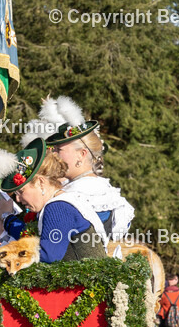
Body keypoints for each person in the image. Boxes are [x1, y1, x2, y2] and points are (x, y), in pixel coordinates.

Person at [0, 139, 108, 261]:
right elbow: (34, 239)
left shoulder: (58, 207)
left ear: (40, 182)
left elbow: (48, 254)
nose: (18, 199)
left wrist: (7, 218)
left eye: (21, 192)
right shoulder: (60, 202)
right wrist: (8, 220)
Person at [38, 97, 134, 240]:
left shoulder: (81, 194)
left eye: (59, 149)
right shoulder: (102, 191)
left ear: (81, 155)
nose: (54, 154)